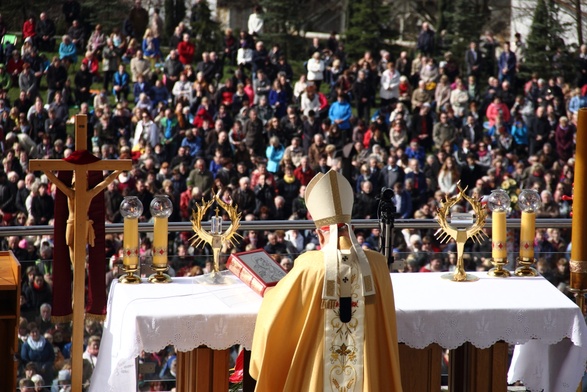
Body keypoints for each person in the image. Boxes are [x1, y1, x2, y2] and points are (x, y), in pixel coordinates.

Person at [251, 169, 402, 391]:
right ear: (350, 227)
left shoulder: (309, 265)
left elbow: (276, 315)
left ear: (320, 233)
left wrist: (269, 292)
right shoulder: (378, 264)